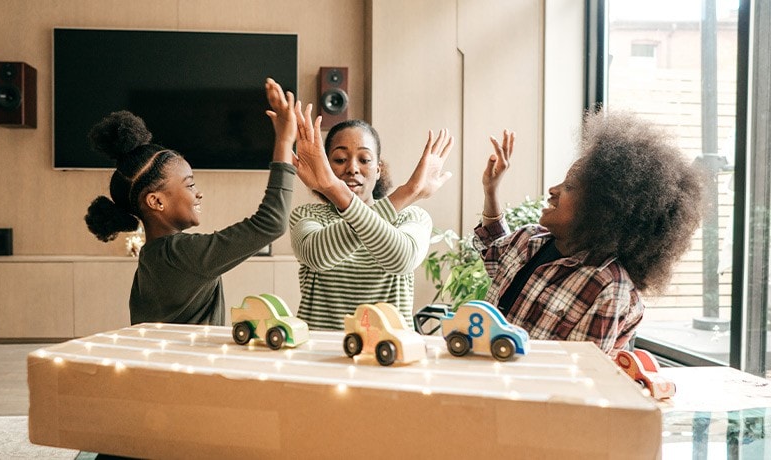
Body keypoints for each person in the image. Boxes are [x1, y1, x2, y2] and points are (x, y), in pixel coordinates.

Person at [475, 110, 703, 356]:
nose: (553, 190)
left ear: (603, 209)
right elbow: (493, 249)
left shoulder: (608, 287)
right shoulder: (528, 240)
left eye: (569, 186)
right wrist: (491, 191)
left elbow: (582, 373)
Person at [84, 78, 302, 326]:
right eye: (189, 184)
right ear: (156, 201)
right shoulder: (182, 255)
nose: (198, 193)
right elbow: (271, 223)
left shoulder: (151, 257)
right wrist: (284, 141)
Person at [290, 105, 454, 330]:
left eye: (364, 159)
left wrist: (406, 195)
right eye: (339, 159)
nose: (352, 168)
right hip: (321, 352)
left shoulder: (411, 216)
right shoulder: (308, 215)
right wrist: (407, 192)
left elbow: (401, 259)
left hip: (389, 353)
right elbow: (318, 256)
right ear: (326, 167)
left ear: (378, 169)